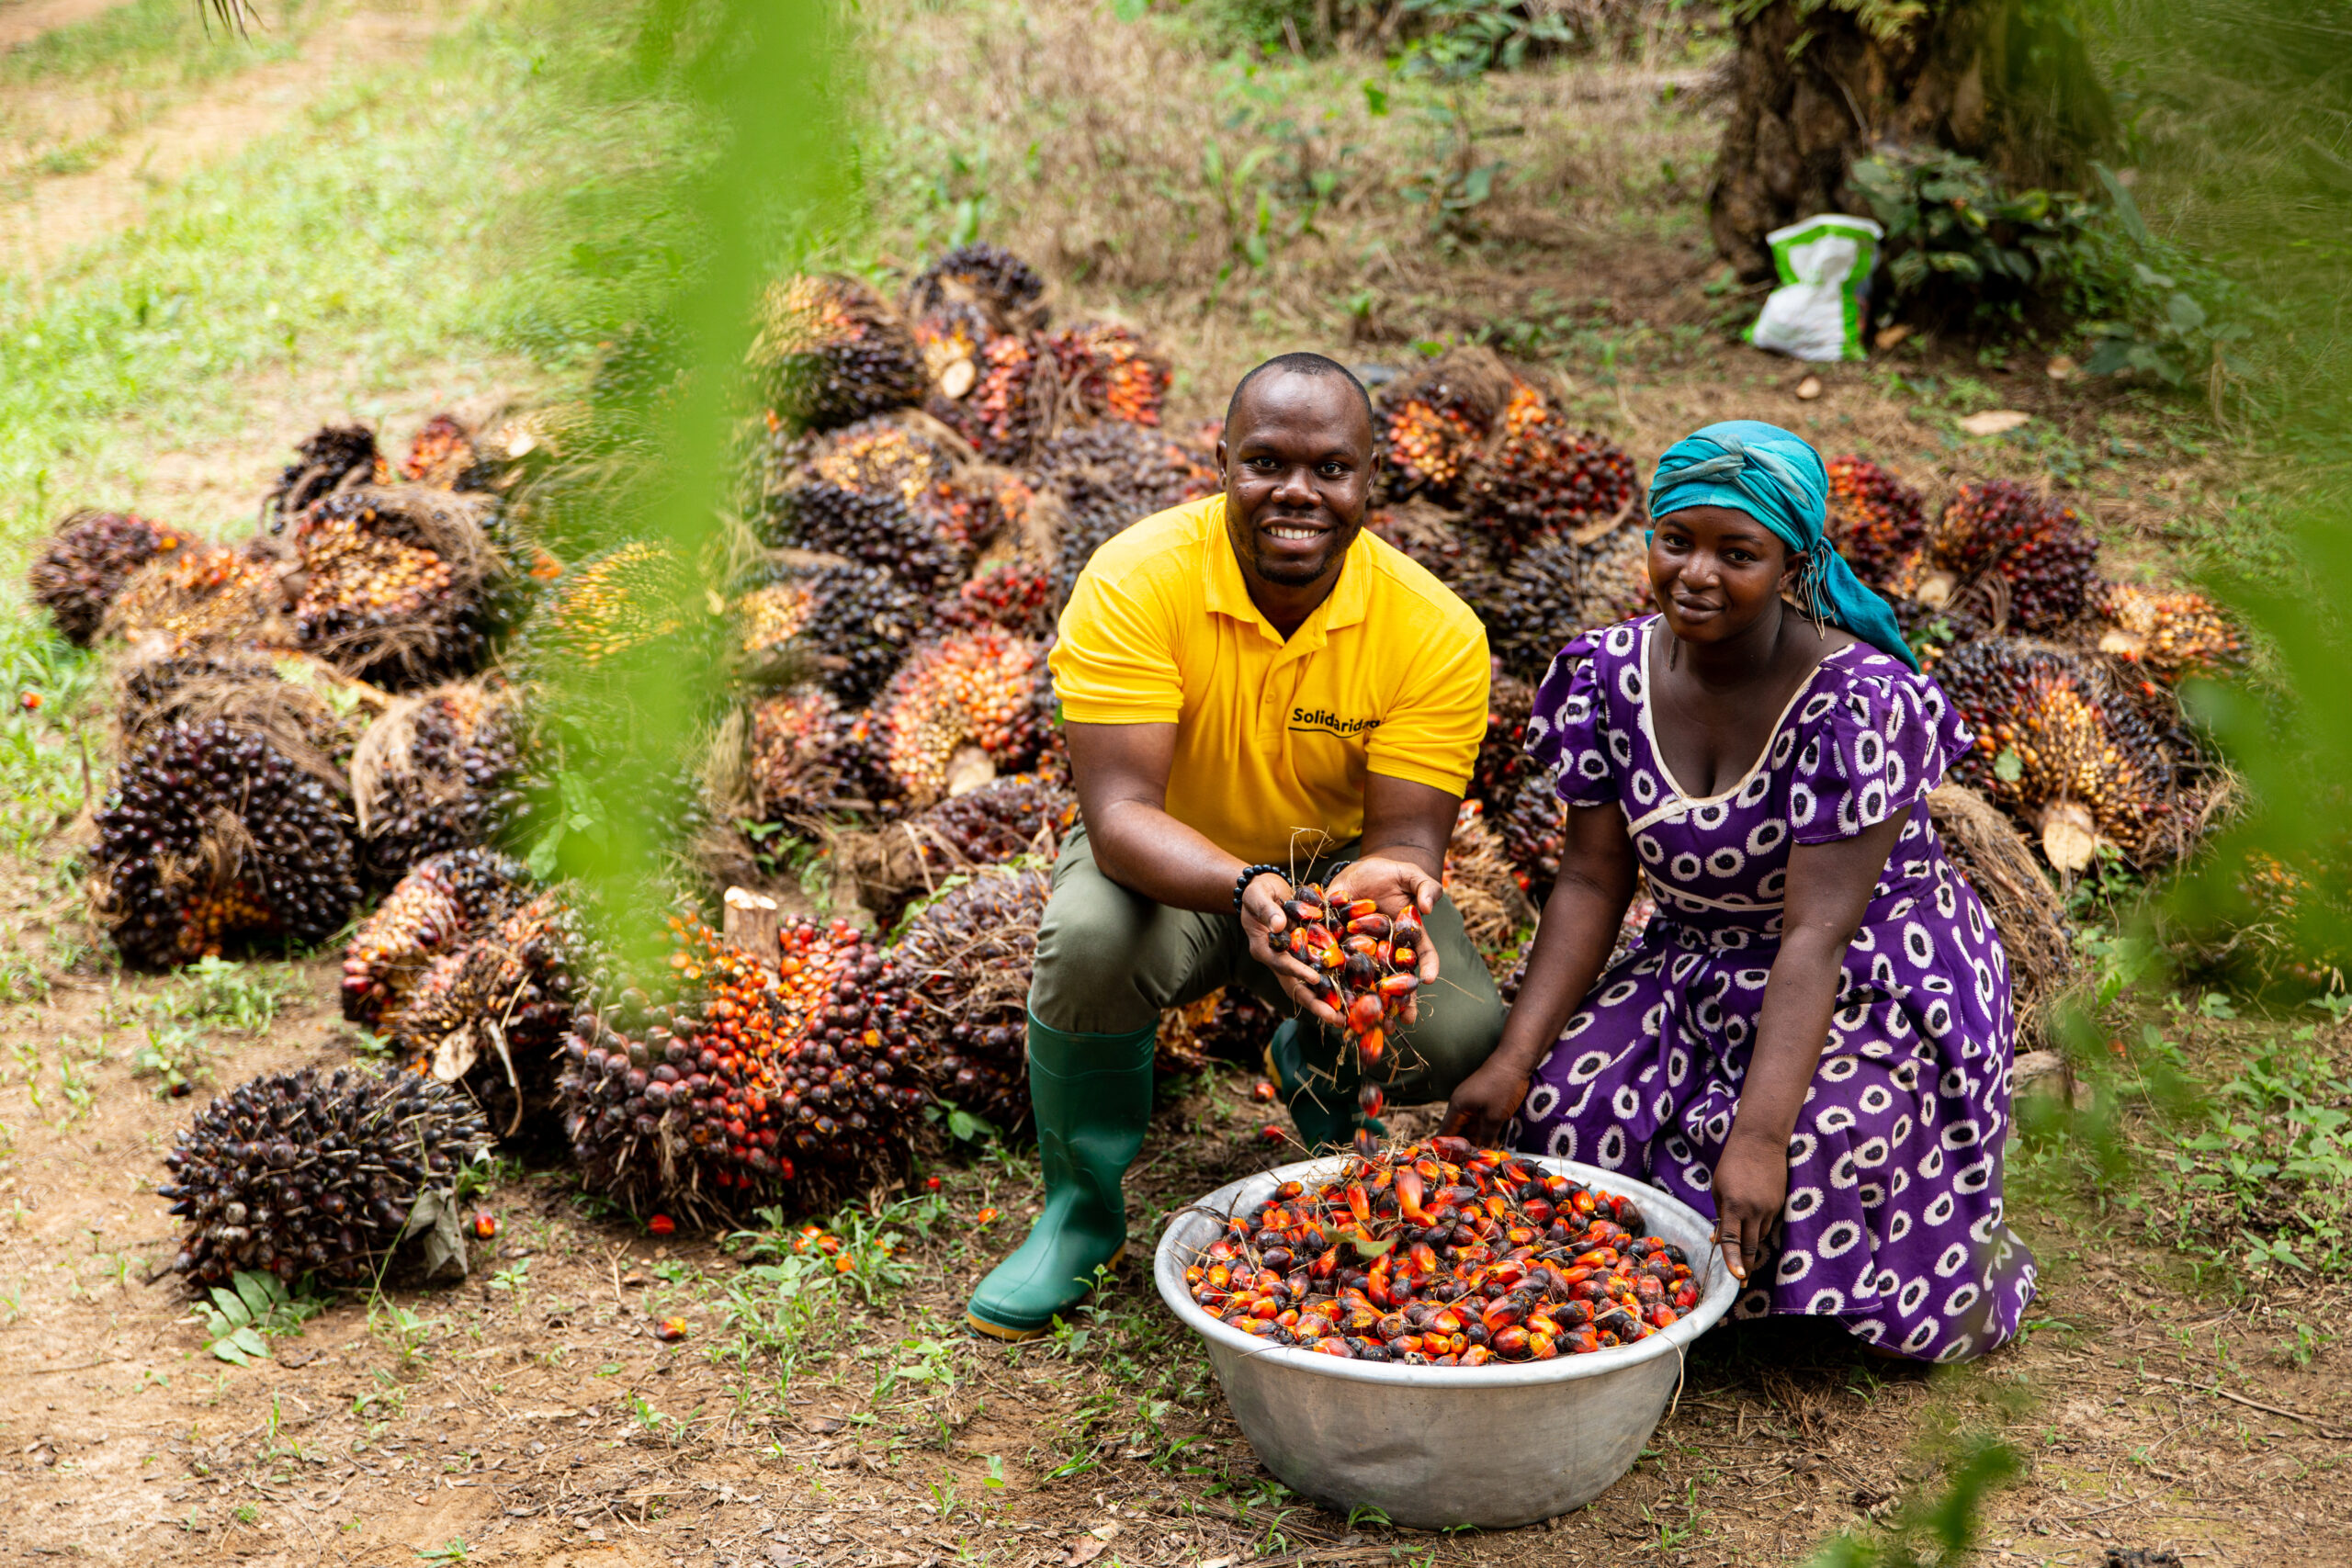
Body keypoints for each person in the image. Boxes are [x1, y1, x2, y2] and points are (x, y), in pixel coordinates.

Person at [1441, 420, 2037, 1363]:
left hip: (1869, 971)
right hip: (1697, 954)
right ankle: (1700, 1289)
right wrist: (1517, 1056)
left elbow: (1814, 940)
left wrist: (1759, 1138)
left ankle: (1814, 1298)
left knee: (1810, 1150)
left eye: (1739, 553)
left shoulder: (1854, 703)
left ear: (1792, 565)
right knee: (1563, 1113)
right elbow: (1593, 880)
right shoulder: (1605, 675)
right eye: (1674, 541)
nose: (1697, 574)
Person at [966, 353, 1509, 1340]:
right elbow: (1120, 816)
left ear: (1370, 478)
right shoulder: (1138, 578)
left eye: (1330, 469)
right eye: (1266, 462)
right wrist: (1249, 887)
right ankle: (1080, 1217)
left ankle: (1313, 1053)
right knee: (1088, 943)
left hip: (1328, 875)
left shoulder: (1433, 630)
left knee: (1457, 1028)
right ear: (1219, 461)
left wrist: (1367, 906)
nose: (1296, 493)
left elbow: (1400, 842)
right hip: (1165, 862)